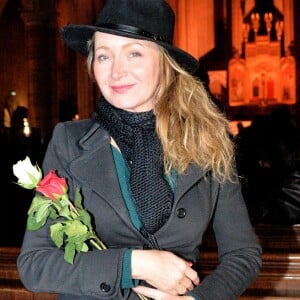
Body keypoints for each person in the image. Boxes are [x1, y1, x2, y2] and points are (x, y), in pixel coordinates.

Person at [17, 1, 262, 299]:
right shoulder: (69, 142)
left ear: (165, 64)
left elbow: (243, 254)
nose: (117, 71)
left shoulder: (209, 144)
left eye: (134, 53)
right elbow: (35, 265)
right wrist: (133, 264)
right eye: (104, 56)